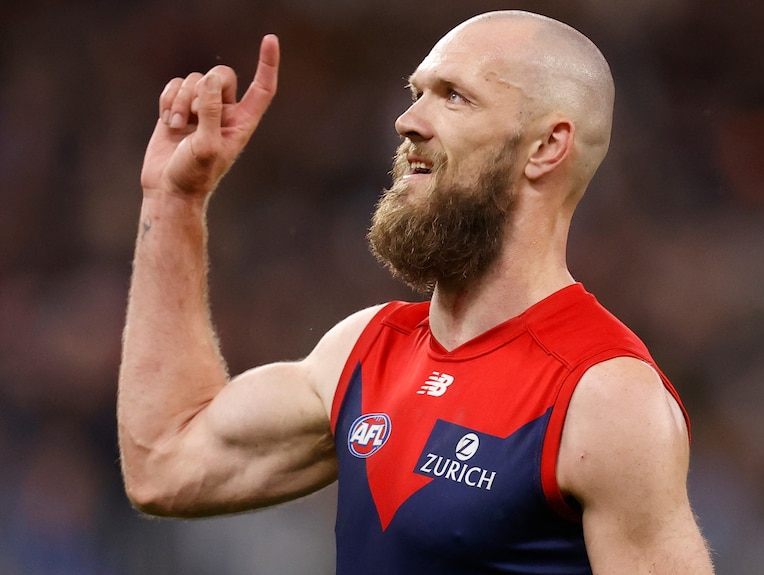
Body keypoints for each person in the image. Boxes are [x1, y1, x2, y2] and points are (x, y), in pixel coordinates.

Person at [118, 10, 715, 574]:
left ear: (546, 147)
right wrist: (173, 202)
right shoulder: (364, 350)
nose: (408, 122)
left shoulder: (603, 395)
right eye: (417, 93)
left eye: (454, 96)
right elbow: (165, 463)